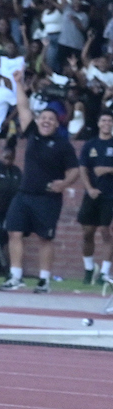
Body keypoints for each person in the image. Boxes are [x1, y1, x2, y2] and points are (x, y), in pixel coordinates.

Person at [0, 73, 79, 292]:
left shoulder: (63, 145)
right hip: (24, 194)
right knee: (14, 232)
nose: (46, 121)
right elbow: (23, 108)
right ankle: (15, 276)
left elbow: (75, 171)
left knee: (45, 238)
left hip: (48, 198)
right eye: (43, 118)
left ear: (56, 124)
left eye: (51, 120)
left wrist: (64, 184)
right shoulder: (32, 132)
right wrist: (18, 83)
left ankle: (45, 280)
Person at [76, 111, 113, 285]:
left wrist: (107, 169)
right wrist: (89, 188)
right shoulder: (90, 144)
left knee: (106, 231)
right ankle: (89, 269)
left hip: (110, 194)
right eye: (104, 120)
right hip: (92, 194)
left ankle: (105, 272)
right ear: (98, 123)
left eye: (109, 121)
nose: (106, 123)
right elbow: (83, 168)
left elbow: (103, 169)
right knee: (87, 232)